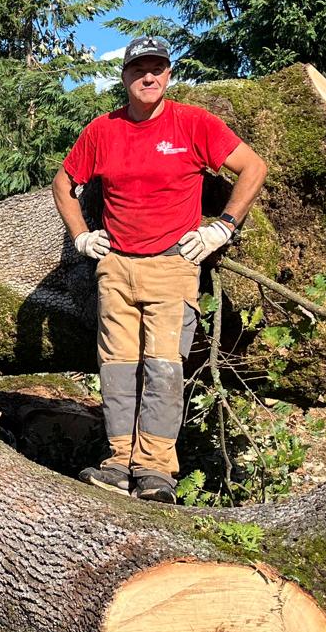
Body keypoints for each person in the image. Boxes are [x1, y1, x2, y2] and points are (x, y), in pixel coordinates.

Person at [51, 35, 267, 501]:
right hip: (115, 268)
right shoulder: (102, 131)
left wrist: (223, 226)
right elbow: (64, 180)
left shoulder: (194, 124)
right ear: (124, 76)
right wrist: (82, 236)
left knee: (164, 370)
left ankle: (156, 470)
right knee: (118, 369)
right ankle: (117, 461)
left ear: (168, 75)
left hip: (173, 267)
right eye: (137, 69)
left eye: (157, 69)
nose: (148, 77)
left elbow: (253, 167)